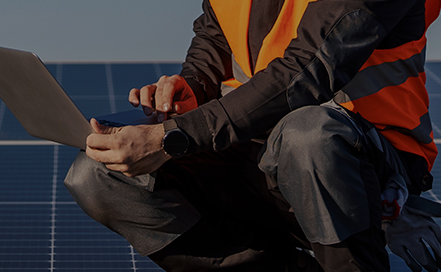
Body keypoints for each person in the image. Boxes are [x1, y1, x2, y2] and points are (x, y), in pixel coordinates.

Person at [64, 0, 441, 271]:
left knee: (308, 136)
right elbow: (216, 38)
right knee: (98, 176)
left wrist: (174, 136)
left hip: (366, 161)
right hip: (257, 146)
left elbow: (307, 72)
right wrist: (193, 87)